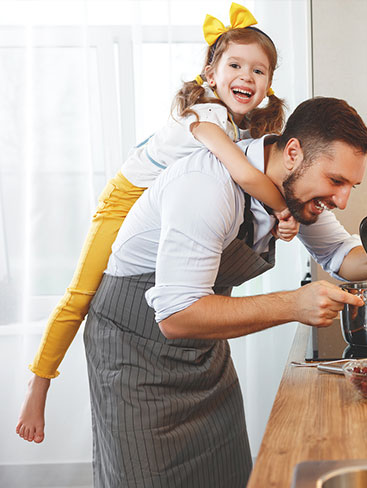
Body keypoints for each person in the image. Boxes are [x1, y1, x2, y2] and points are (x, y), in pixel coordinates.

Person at [16, 2, 298, 444]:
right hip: (125, 198)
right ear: (210, 74)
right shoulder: (207, 116)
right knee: (81, 293)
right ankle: (38, 384)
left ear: (268, 85)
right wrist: (285, 209)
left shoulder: (243, 131)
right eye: (235, 65)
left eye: (258, 71)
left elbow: (244, 191)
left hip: (155, 207)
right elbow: (245, 176)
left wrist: (276, 221)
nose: (246, 76)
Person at [84, 96, 367, 487]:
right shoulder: (207, 187)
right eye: (336, 181)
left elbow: (342, 256)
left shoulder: (292, 190)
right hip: (135, 354)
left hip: (203, 353)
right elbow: (176, 316)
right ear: (293, 152)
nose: (341, 200)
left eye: (350, 186)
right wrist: (293, 303)